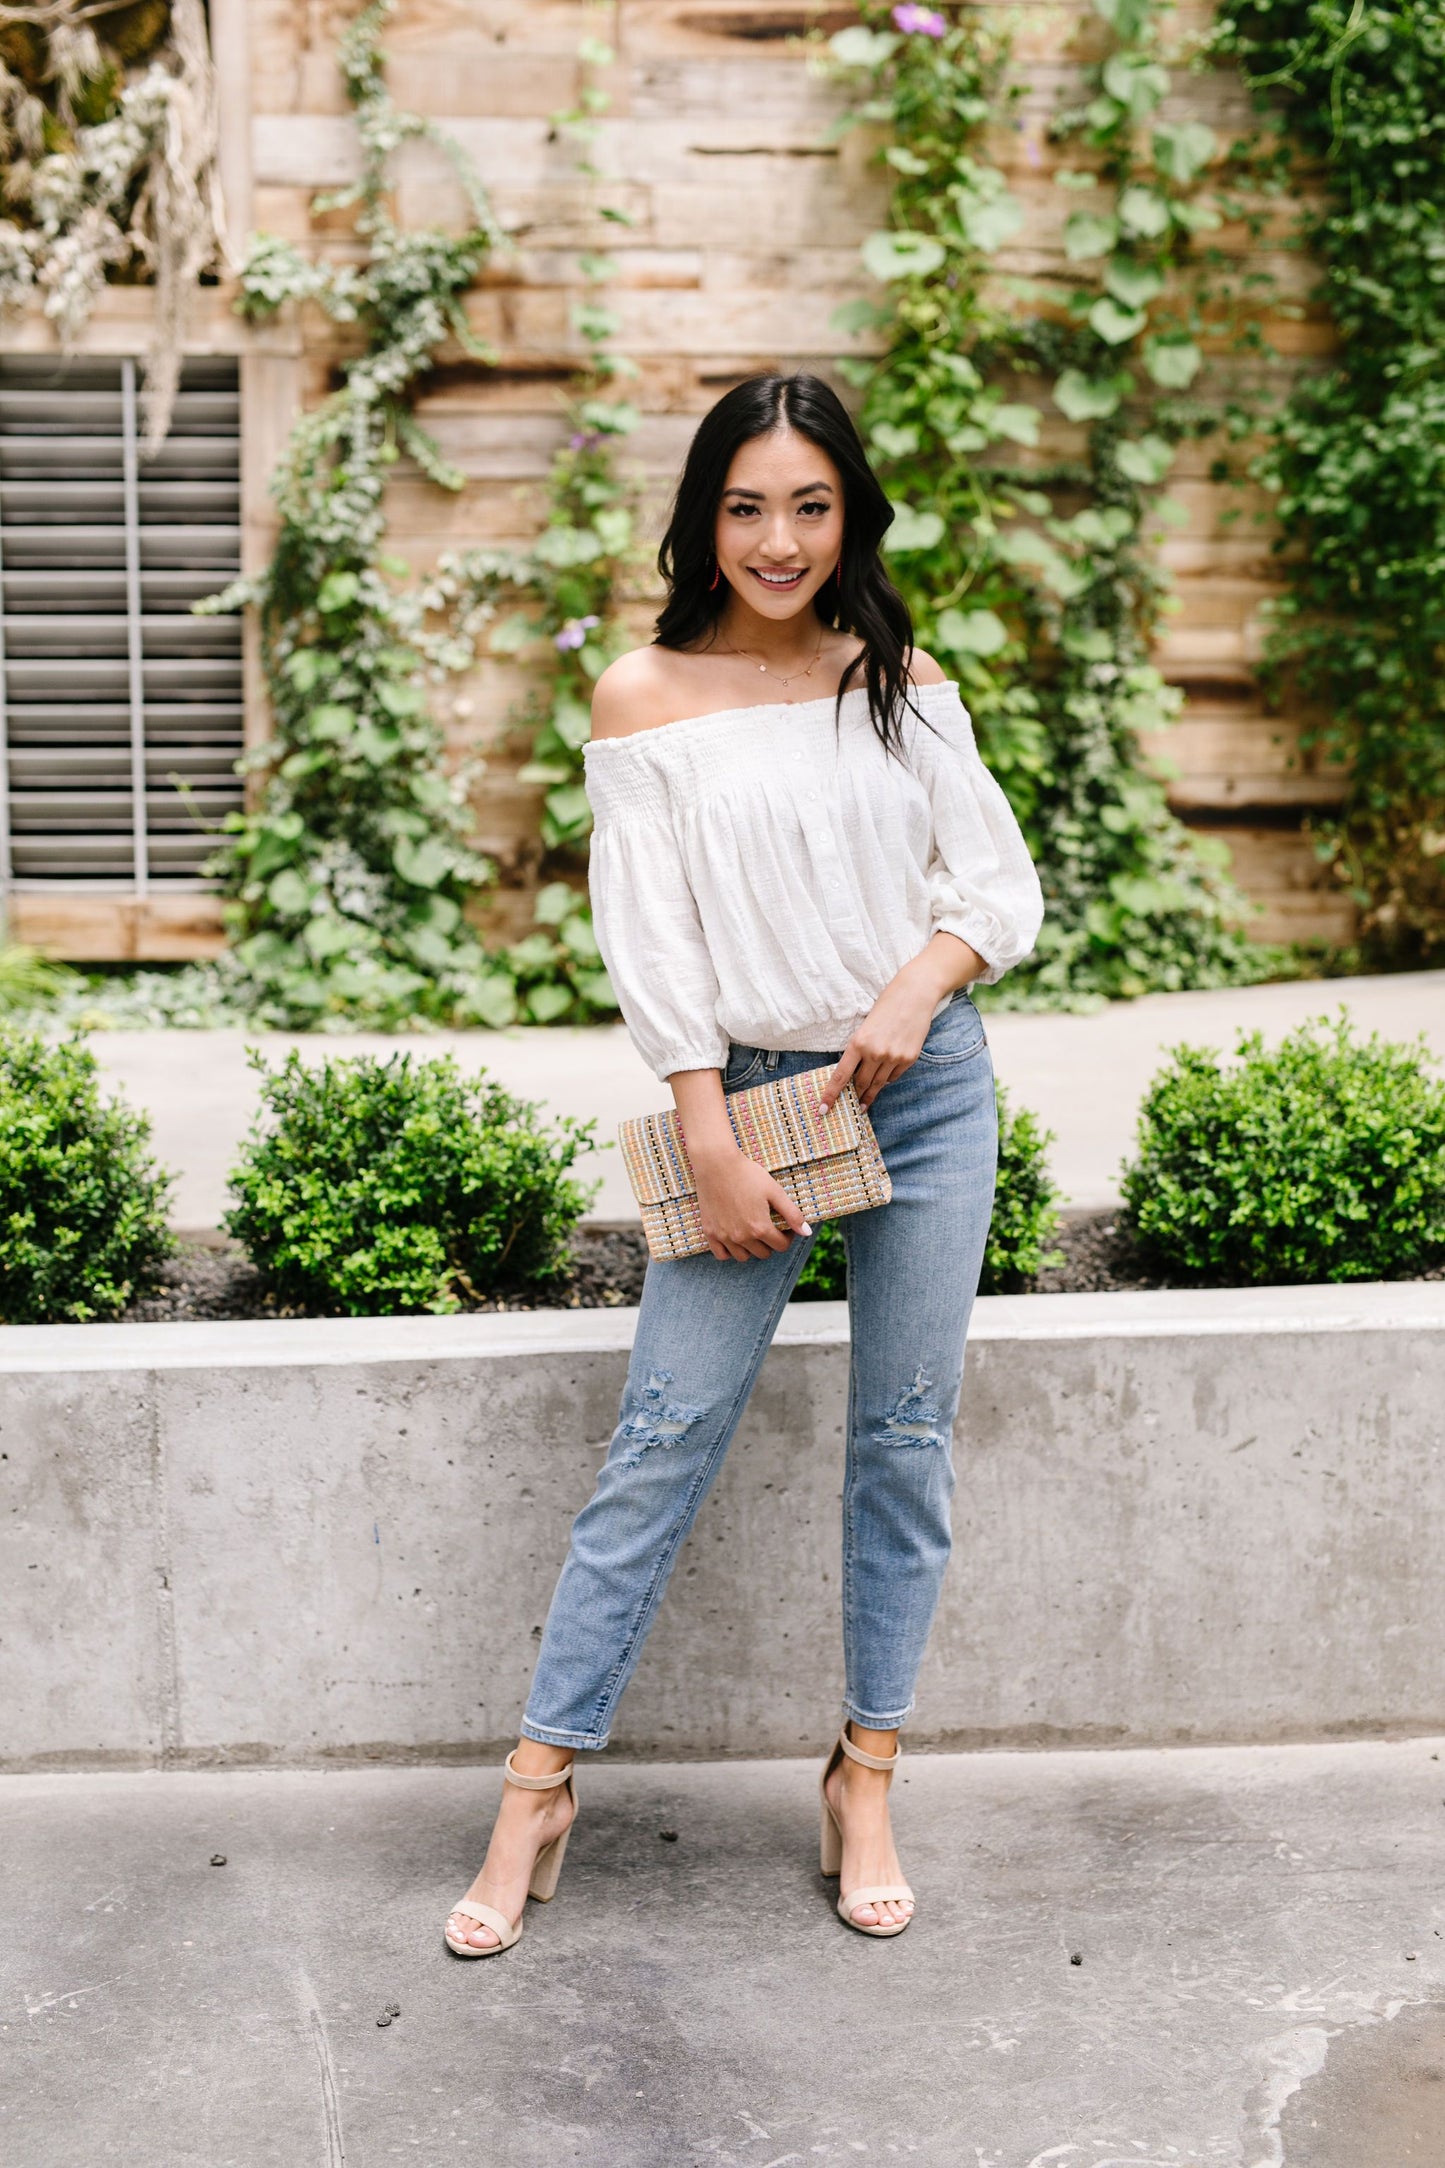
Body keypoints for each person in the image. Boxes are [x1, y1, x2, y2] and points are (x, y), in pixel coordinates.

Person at [445, 371, 1043, 1956]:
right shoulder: (643, 696)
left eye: (809, 505)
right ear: (701, 515)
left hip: (916, 1093)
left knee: (903, 1438)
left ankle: (865, 1772)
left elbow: (992, 885)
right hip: (746, 1101)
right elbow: (653, 947)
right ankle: (538, 1782)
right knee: (660, 1436)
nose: (777, 540)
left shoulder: (900, 680)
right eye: (745, 505)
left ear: (850, 514)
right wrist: (707, 1133)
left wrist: (913, 995)